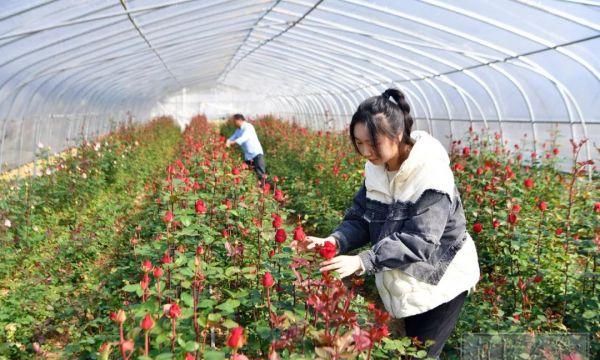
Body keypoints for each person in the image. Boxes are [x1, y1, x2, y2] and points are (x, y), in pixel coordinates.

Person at [307, 88, 480, 359]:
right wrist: (335, 240)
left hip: (440, 281)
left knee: (421, 354)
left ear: (397, 136)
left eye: (372, 143)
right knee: (410, 348)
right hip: (404, 280)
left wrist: (362, 261)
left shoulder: (431, 177)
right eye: (358, 142)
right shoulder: (376, 169)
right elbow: (362, 218)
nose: (365, 152)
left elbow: (419, 242)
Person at [225, 114, 267, 184]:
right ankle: (253, 190)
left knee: (260, 174)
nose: (233, 123)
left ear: (239, 120)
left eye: (234, 121)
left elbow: (244, 138)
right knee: (248, 174)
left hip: (256, 154)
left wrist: (232, 143)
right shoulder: (238, 130)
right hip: (248, 156)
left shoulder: (248, 127)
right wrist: (227, 141)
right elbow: (232, 137)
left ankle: (264, 190)